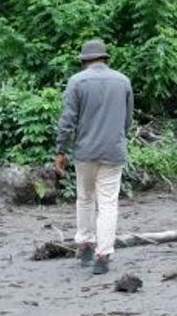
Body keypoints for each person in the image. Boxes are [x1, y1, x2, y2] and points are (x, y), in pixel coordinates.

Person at [54, 40, 134, 275]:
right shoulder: (123, 81)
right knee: (108, 203)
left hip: (85, 152)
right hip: (113, 151)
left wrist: (61, 151)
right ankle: (103, 254)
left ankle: (86, 245)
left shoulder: (76, 82)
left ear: (84, 61)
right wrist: (118, 138)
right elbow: (127, 121)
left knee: (85, 198)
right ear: (105, 58)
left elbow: (67, 121)